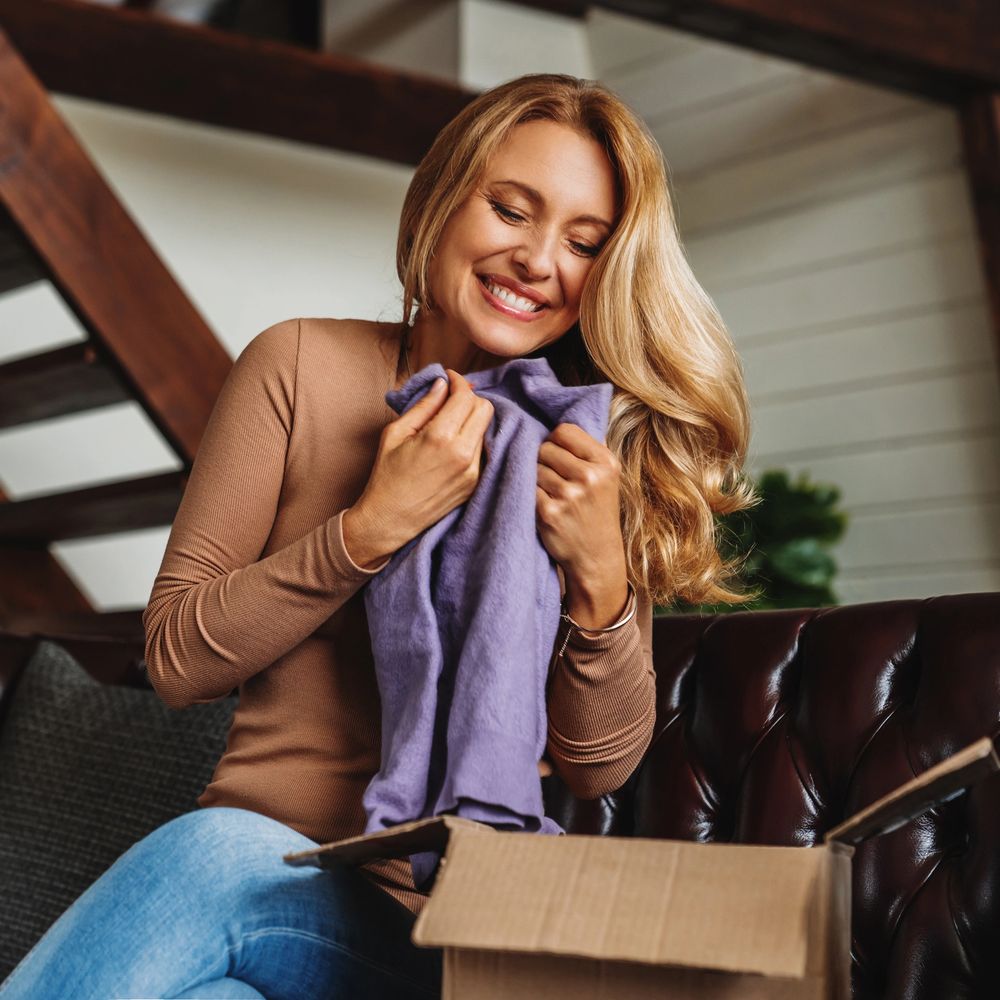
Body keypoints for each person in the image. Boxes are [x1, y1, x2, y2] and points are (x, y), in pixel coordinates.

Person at [0, 72, 756, 999]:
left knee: (216, 854)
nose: (538, 260)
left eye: (584, 242)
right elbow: (176, 658)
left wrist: (600, 583)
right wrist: (370, 528)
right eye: (511, 210)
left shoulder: (580, 443)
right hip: (255, 893)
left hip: (428, 930)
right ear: (443, 198)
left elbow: (600, 769)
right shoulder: (299, 366)